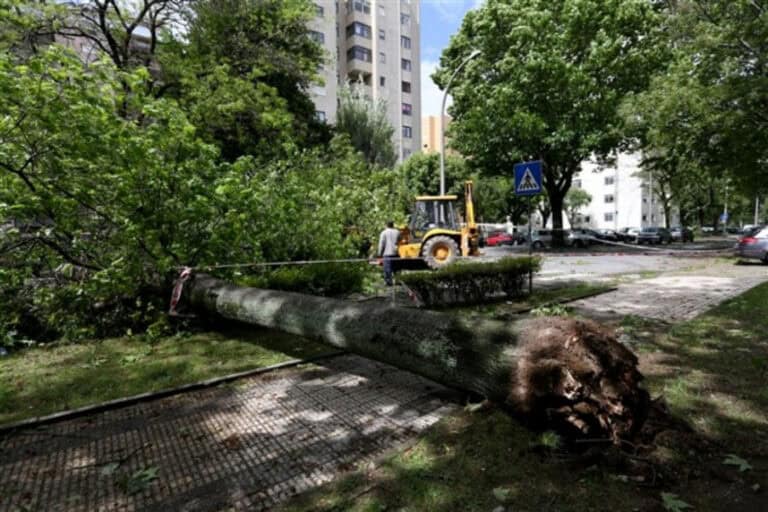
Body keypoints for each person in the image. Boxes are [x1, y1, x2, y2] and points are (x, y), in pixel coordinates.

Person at [377, 220, 400, 286]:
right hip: (396, 253)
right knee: (396, 268)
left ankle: (388, 282)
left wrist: (379, 254)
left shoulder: (383, 233)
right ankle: (397, 281)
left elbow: (381, 244)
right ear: (393, 225)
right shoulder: (397, 232)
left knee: (387, 269)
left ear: (386, 225)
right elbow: (400, 240)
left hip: (387, 253)